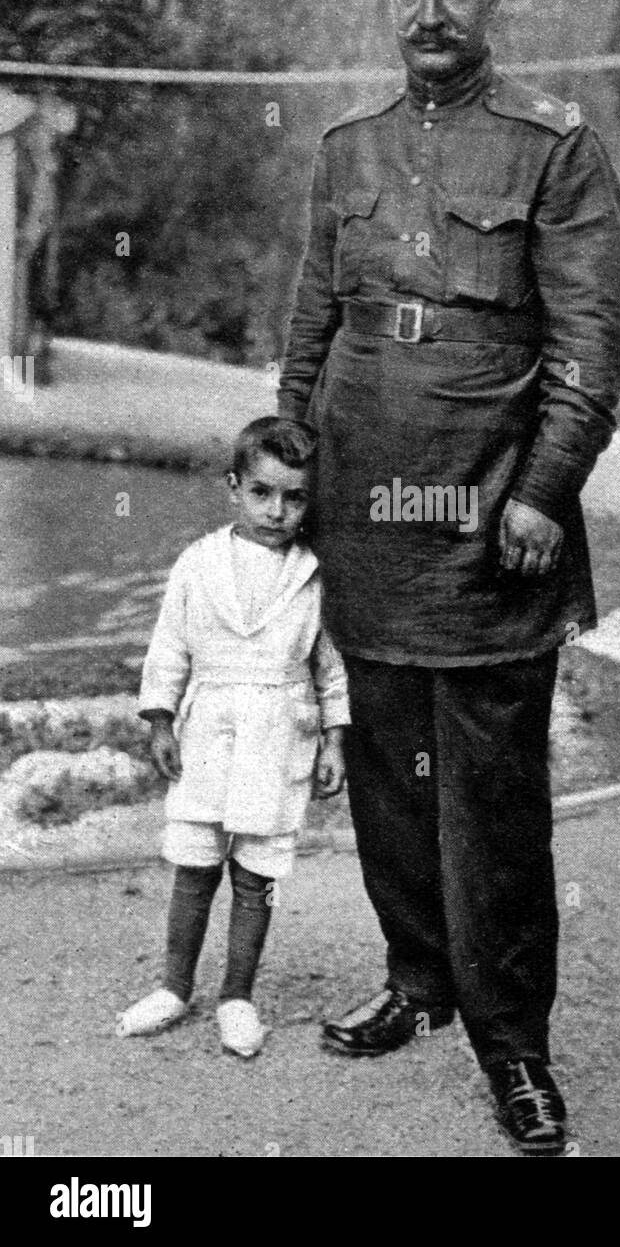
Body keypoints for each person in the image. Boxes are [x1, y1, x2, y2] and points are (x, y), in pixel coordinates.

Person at [277, 0, 620, 1154]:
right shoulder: (346, 150)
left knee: (488, 794)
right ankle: (419, 978)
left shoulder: (554, 146)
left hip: (488, 517)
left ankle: (513, 1046)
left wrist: (543, 489)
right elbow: (310, 331)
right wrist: (291, 473)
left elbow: (590, 342)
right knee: (385, 771)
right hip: (362, 511)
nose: (430, 10)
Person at [116, 418, 349, 1058]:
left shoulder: (315, 573)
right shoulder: (199, 562)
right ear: (234, 489)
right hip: (211, 729)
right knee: (195, 866)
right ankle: (173, 987)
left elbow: (330, 668)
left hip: (278, 732)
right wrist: (161, 718)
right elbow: (170, 648)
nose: (277, 511)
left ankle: (237, 996)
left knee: (257, 873)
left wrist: (334, 740)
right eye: (263, 493)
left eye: (294, 498)